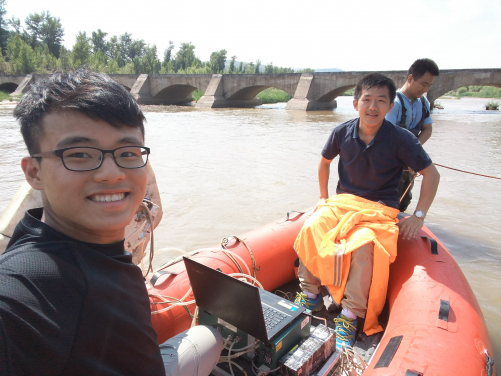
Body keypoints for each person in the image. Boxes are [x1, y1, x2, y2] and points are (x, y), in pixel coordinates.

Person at [0, 69, 223, 376]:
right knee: (209, 337)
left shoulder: (61, 238)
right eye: (78, 154)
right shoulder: (21, 293)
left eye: (127, 152)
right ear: (34, 173)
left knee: (207, 338)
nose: (111, 173)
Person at [293, 73, 440, 349]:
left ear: (390, 106)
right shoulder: (341, 132)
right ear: (355, 103)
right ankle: (310, 295)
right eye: (367, 100)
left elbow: (431, 175)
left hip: (379, 209)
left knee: (363, 245)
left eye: (381, 101)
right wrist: (323, 199)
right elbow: (324, 162)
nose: (373, 107)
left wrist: (419, 216)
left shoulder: (402, 139)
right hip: (342, 203)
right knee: (311, 227)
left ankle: (349, 316)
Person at [386, 58, 440, 212]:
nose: (425, 89)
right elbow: (388, 135)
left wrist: (413, 153)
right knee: (389, 198)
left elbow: (427, 130)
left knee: (405, 197)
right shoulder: (393, 103)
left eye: (429, 86)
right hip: (392, 161)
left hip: (410, 158)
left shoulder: (423, 103)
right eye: (423, 84)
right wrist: (408, 155)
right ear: (410, 78)